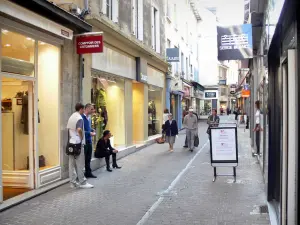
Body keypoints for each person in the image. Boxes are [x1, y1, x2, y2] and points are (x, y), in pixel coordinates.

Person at [67, 103, 94, 189]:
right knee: (80, 164)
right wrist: (82, 138)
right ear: (81, 109)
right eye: (83, 109)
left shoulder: (71, 116)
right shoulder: (79, 118)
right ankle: (82, 182)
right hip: (78, 143)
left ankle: (73, 182)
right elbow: (79, 129)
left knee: (71, 164)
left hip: (71, 142)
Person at [82, 103, 97, 178]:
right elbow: (80, 131)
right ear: (87, 109)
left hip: (89, 141)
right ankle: (82, 174)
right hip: (84, 142)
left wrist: (92, 129)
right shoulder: (81, 118)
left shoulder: (89, 118)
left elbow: (88, 128)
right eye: (91, 109)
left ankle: (88, 172)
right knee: (83, 159)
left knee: (88, 158)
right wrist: (89, 133)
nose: (93, 110)